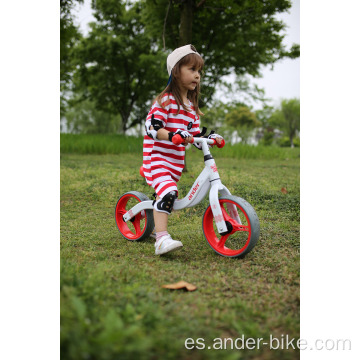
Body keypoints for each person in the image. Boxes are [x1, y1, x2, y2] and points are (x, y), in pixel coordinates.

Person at [143, 44, 223, 255]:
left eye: (199, 71)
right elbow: (152, 128)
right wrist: (171, 135)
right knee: (169, 192)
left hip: (174, 163)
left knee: (166, 192)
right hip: (156, 159)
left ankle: (153, 222)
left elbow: (194, 136)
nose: (197, 76)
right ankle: (161, 239)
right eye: (192, 69)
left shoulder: (191, 108)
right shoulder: (165, 101)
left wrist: (210, 138)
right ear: (176, 72)